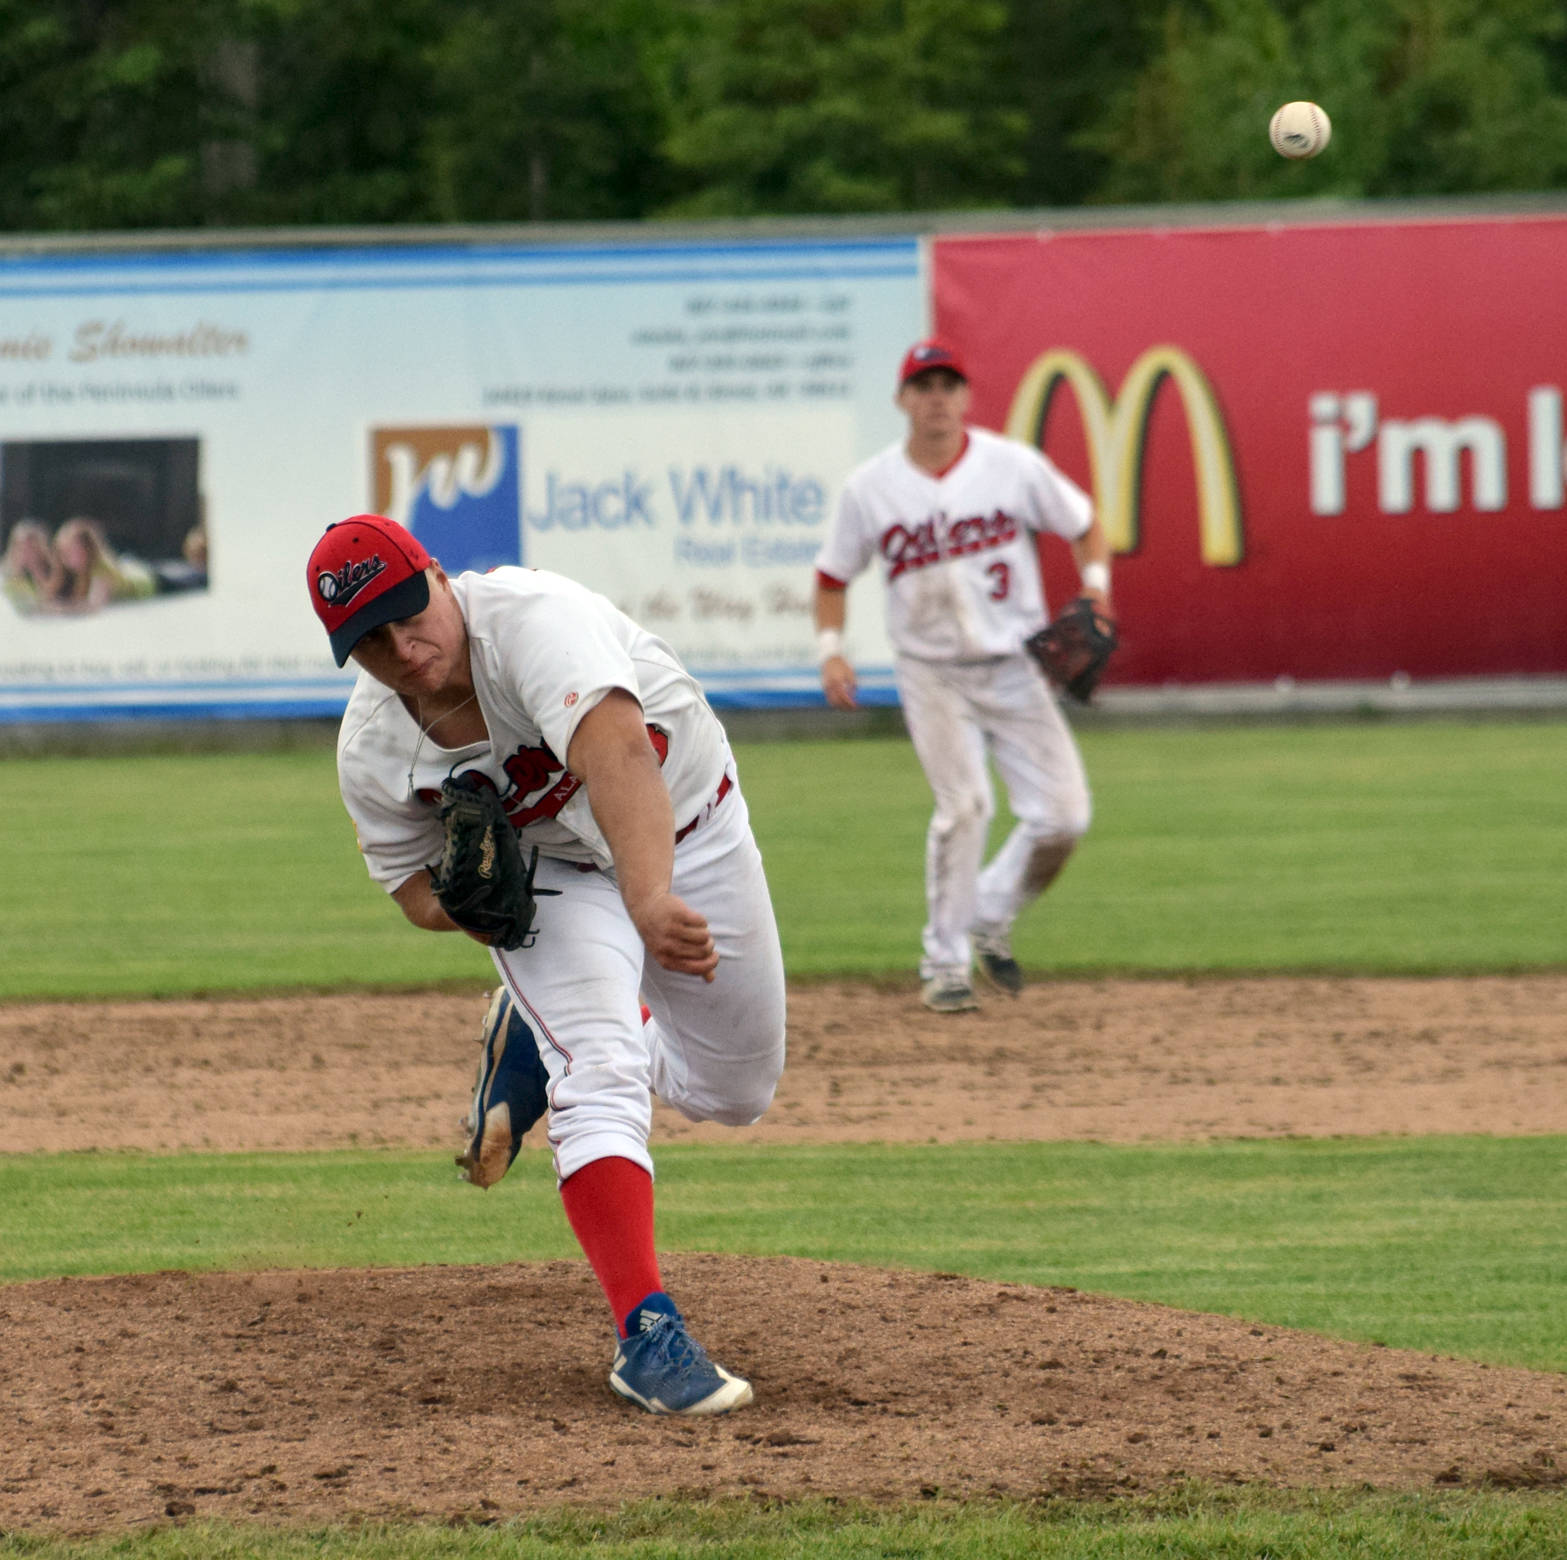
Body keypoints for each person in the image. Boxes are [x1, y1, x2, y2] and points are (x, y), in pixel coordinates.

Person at [307, 514, 786, 1416]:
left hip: (683, 830)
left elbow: (615, 755)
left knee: (738, 1091)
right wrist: (468, 904)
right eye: (370, 641)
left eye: (410, 615)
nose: (404, 650)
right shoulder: (373, 748)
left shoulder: (532, 620)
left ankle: (532, 1040)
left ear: (439, 577)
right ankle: (647, 1335)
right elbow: (412, 892)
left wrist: (649, 902)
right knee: (598, 1070)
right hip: (551, 874)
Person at [811, 339, 1114, 1014]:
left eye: (947, 385)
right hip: (931, 673)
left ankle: (990, 912)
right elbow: (831, 577)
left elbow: (1086, 524)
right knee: (965, 808)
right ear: (901, 400)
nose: (936, 398)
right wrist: (831, 649)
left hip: (1014, 665)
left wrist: (1094, 589)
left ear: (965, 396)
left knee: (1064, 817)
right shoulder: (871, 487)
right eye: (923, 386)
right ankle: (943, 962)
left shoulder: (1010, 466)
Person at [50, 516, 157, 611]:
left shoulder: (101, 570)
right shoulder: (79, 575)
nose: (68, 559)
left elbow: (93, 606)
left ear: (89, 549)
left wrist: (59, 608)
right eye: (64, 553)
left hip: (152, 581)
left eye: (73, 552)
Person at [1, 519, 65, 613]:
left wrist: (37, 572)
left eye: (32, 548)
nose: (27, 553)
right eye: (22, 547)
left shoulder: (52, 571)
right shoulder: (5, 574)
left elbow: (50, 600)